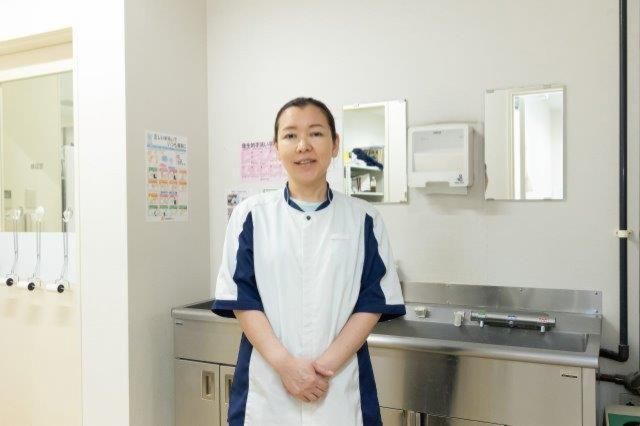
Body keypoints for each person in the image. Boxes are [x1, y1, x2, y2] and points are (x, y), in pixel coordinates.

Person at [213, 97, 405, 425]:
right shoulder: (250, 216)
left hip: (340, 390)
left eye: (316, 133)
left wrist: (322, 368)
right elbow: (242, 298)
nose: (303, 145)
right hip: (268, 390)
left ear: (335, 144)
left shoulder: (364, 219)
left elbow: (372, 302)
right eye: (290, 136)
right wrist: (286, 366)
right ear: (276, 148)